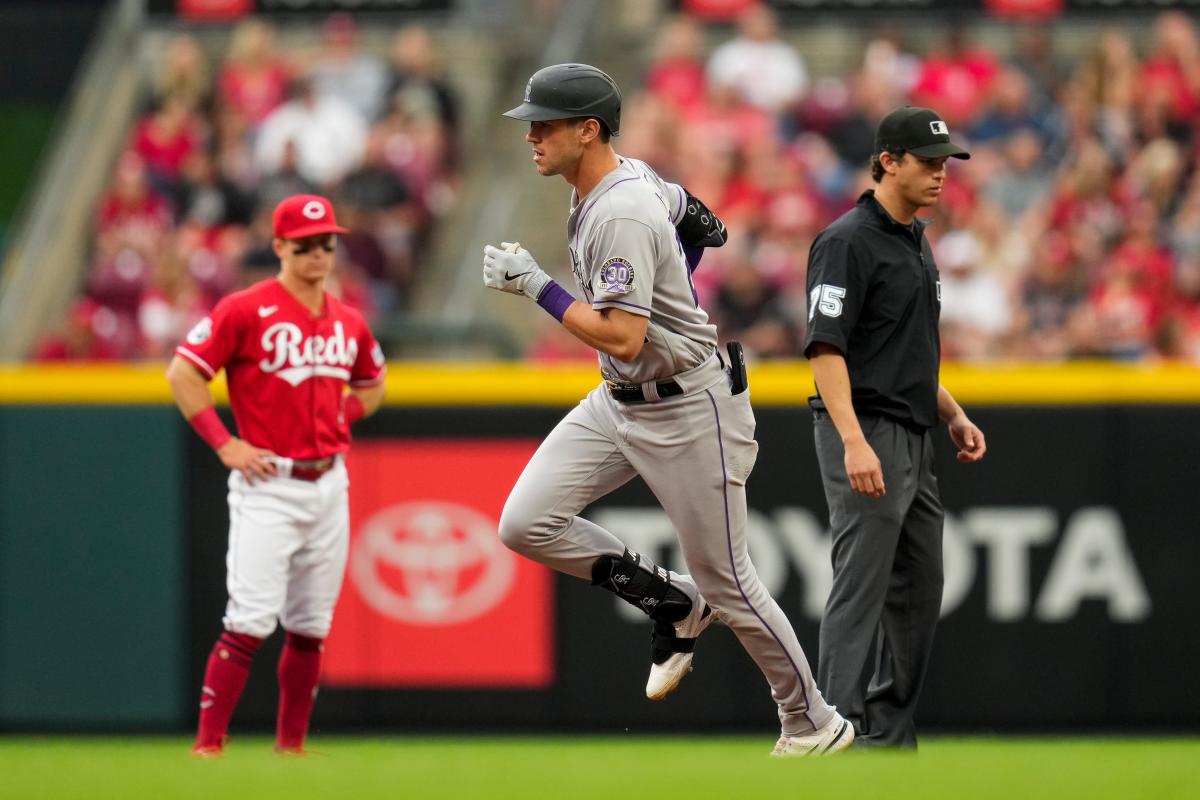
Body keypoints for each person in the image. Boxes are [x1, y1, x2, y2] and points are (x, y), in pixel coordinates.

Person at [483, 63, 853, 757]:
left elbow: (622, 330)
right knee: (526, 523)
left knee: (731, 580)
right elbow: (697, 216)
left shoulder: (620, 207)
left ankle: (813, 723)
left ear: (588, 130)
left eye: (547, 124)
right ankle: (672, 602)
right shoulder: (626, 182)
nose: (532, 135)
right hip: (620, 399)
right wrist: (680, 251)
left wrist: (537, 286)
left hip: (687, 405)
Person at [166, 194, 387, 756]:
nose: (318, 252)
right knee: (250, 620)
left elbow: (373, 384)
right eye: (306, 244)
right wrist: (225, 443)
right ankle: (208, 746)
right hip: (268, 481)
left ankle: (291, 750)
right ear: (280, 247)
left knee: (311, 624)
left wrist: (345, 412)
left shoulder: (348, 320)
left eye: (326, 243)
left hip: (328, 481)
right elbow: (183, 374)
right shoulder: (245, 308)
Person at [804, 106, 987, 749]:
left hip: (914, 430)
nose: (941, 174)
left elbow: (903, 350)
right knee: (861, 585)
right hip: (865, 427)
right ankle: (830, 728)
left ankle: (888, 737)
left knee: (918, 590)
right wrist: (853, 440)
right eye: (928, 162)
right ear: (888, 161)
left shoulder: (915, 238)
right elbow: (827, 349)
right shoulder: (845, 240)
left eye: (944, 163)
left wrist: (953, 412)